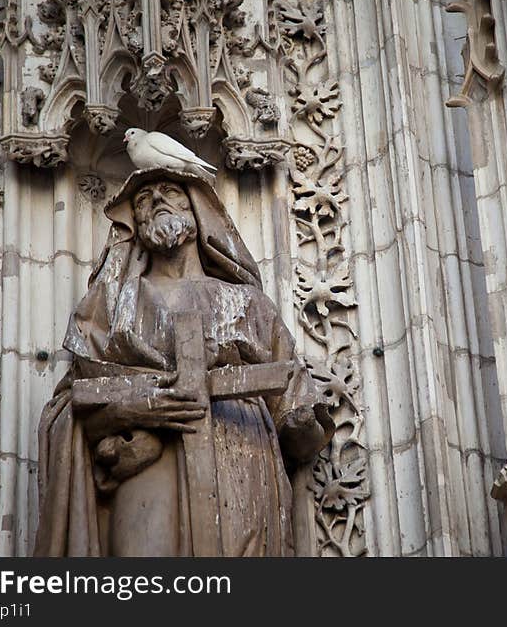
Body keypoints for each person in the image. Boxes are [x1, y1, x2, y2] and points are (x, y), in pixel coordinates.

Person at [34, 168, 334, 556]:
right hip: (148, 465)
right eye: (143, 200)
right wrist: (135, 408)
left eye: (170, 191)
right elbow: (69, 410)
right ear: (134, 226)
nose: (156, 201)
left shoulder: (249, 305)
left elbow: (296, 414)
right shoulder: (111, 307)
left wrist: (303, 422)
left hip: (240, 460)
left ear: (198, 211)